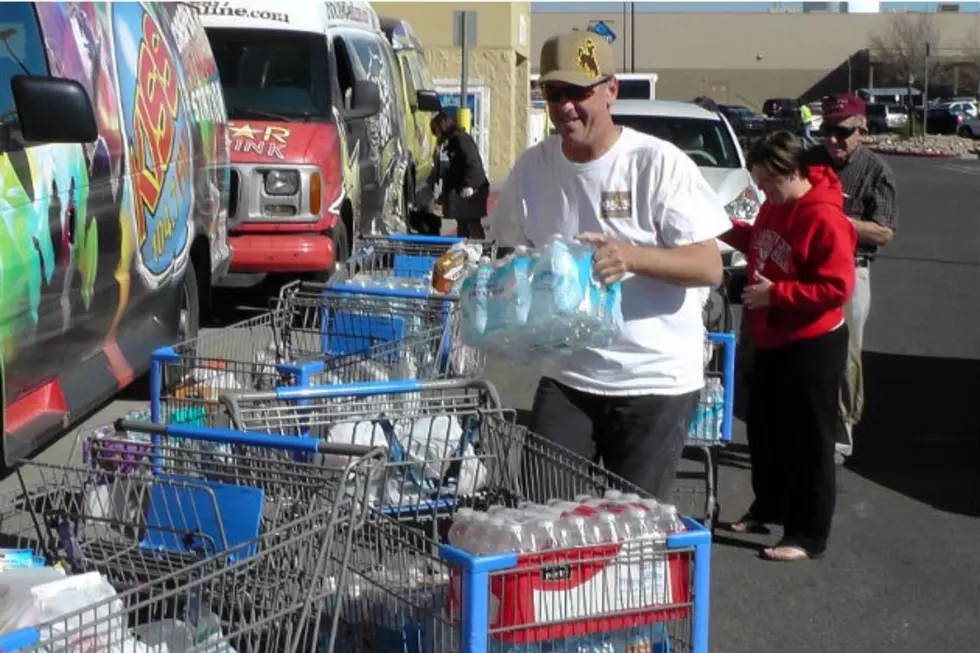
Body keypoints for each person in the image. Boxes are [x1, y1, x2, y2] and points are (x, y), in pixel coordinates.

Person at [488, 30, 729, 503]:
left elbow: (709, 267)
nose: (566, 108)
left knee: (631, 532)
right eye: (554, 94)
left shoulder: (655, 164)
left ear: (611, 90)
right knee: (542, 513)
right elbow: (511, 251)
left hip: (654, 379)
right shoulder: (533, 168)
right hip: (570, 375)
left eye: (579, 93)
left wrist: (632, 257)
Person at [721, 131, 856, 561]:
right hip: (772, 337)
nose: (763, 191)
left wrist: (777, 294)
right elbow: (759, 241)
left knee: (809, 439)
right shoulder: (774, 207)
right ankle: (769, 507)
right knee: (765, 430)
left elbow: (837, 287)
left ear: (791, 173)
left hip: (813, 341)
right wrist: (720, 230)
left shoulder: (823, 217)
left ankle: (807, 533)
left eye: (767, 183)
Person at [808, 94, 898, 465]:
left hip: (850, 269)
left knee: (845, 353)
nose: (833, 140)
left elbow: (885, 231)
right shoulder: (809, 162)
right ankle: (806, 426)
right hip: (806, 267)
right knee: (803, 353)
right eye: (827, 131)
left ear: (861, 130)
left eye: (842, 132)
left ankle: (841, 432)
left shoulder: (876, 171)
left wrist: (839, 223)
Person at [430, 111, 490, 239]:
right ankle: (467, 251)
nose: (436, 135)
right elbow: (453, 171)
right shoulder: (453, 141)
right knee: (463, 222)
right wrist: (444, 194)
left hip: (474, 189)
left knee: (472, 222)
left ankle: (480, 251)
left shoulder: (460, 139)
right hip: (463, 188)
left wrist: (470, 185)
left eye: (436, 130)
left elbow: (473, 162)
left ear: (443, 127)